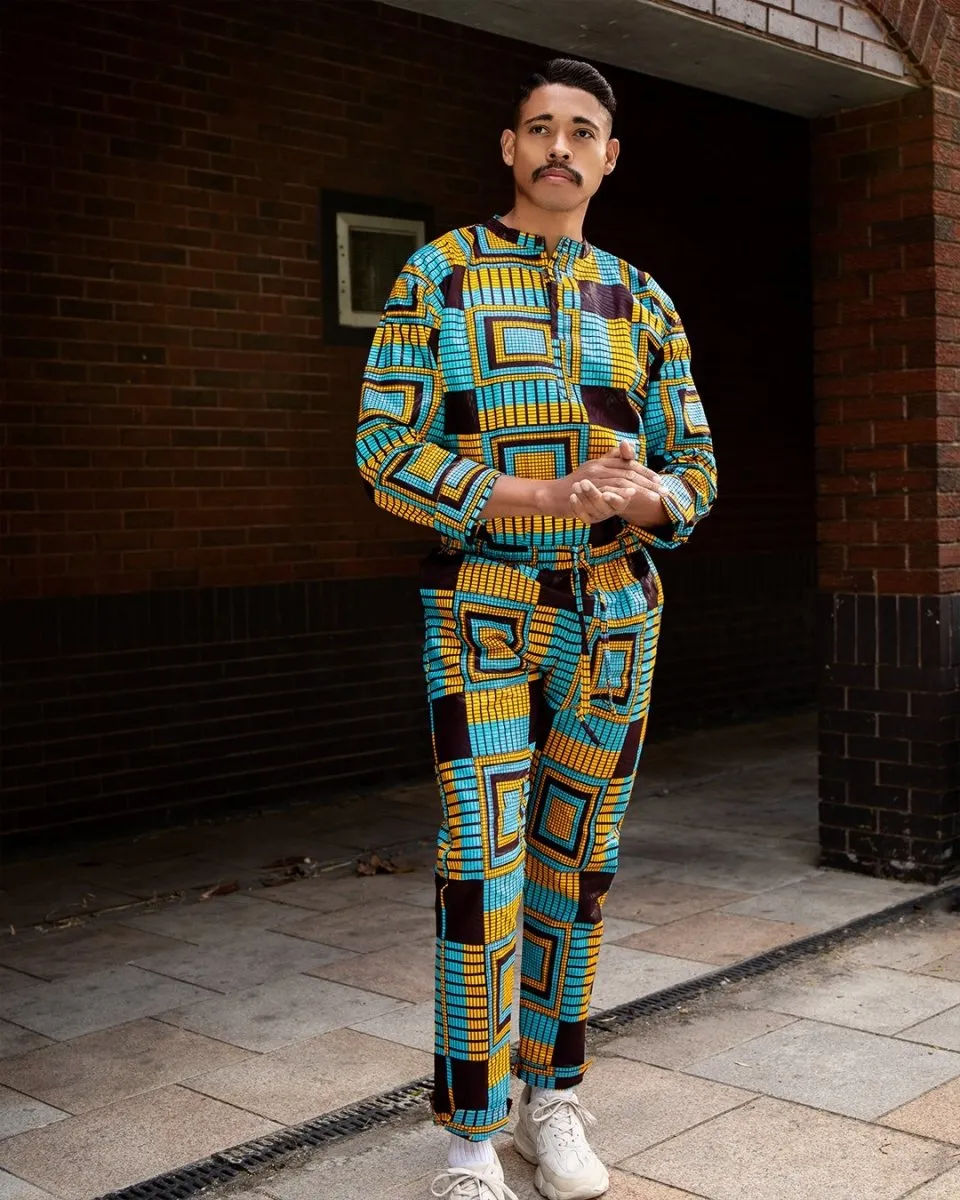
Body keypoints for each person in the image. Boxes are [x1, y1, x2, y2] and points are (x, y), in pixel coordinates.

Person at [356, 57, 717, 1200]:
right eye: (539, 129)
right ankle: (469, 1140)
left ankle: (547, 1100)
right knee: (483, 861)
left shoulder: (644, 298)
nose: (560, 147)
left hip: (616, 610)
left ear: (610, 158)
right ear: (509, 150)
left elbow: (698, 469)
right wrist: (530, 496)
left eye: (583, 131)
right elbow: (383, 452)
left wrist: (648, 496)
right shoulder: (439, 276)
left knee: (579, 862)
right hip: (484, 607)